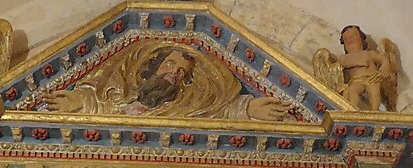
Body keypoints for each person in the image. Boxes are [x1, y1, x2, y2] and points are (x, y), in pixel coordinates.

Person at [43, 41, 291, 121]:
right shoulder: (117, 95)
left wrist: (247, 108)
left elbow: (210, 111)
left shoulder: (181, 108)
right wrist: (79, 101)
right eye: (170, 64)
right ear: (154, 64)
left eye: (181, 71)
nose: (174, 73)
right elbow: (103, 103)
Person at [337, 25, 393, 111]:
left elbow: (382, 58)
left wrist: (385, 64)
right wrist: (358, 61)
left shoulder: (369, 53)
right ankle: (352, 110)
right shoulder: (345, 57)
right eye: (346, 40)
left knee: (374, 93)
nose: (349, 40)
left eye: (352, 37)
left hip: (372, 78)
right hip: (356, 80)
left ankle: (375, 111)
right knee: (352, 91)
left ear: (361, 39)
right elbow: (343, 63)